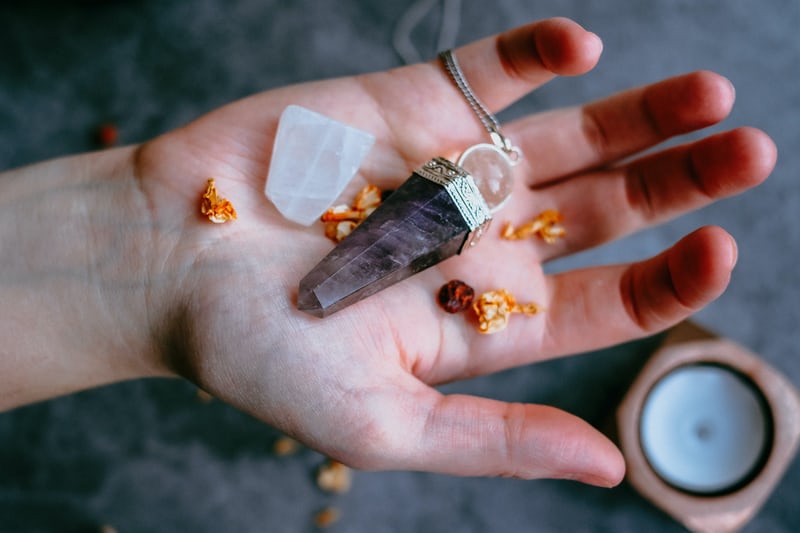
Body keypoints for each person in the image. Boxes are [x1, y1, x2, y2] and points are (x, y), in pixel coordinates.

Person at [0, 17, 776, 487]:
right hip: (436, 199)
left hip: (447, 206)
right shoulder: (441, 186)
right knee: (336, 276)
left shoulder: (458, 206)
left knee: (351, 271)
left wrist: (131, 259)